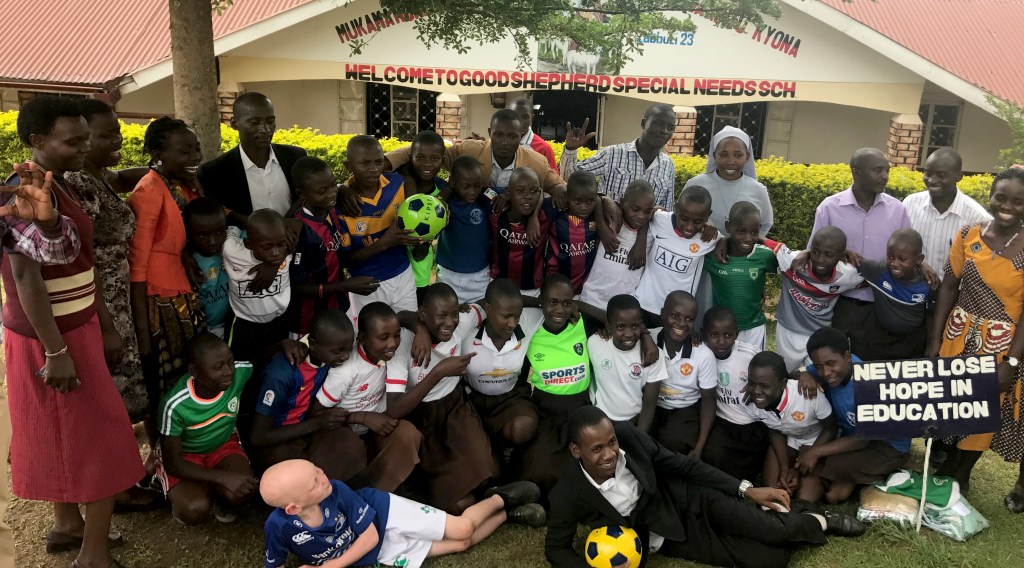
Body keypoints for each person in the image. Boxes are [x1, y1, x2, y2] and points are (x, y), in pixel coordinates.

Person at [5, 96, 144, 568]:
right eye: (74, 140)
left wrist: (102, 324)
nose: (85, 146)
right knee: (107, 437)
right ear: (38, 141)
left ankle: (68, 526)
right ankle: (94, 555)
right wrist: (57, 351)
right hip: (50, 336)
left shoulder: (58, 185)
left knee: (59, 430)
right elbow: (26, 278)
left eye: (87, 136)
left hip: (76, 324)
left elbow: (79, 263)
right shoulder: (19, 194)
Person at [546, 406, 865, 568]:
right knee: (771, 561)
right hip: (667, 535)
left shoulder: (630, 439)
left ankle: (821, 519)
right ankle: (792, 516)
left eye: (611, 442)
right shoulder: (568, 494)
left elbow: (685, 465)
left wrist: (745, 489)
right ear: (577, 451)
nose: (609, 453)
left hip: (693, 500)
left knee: (775, 531)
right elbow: (556, 549)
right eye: (597, 449)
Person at [926, 167, 1024, 509]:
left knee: (984, 410)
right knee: (951, 404)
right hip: (959, 334)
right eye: (1001, 197)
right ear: (991, 197)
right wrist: (934, 340)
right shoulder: (968, 234)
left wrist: (1011, 361)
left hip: (1002, 344)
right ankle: (947, 465)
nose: (1007, 206)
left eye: (1018, 201)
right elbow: (950, 286)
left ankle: (961, 474)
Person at [260, 459, 542, 568]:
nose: (323, 476)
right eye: (314, 481)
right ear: (293, 508)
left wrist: (332, 567)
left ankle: (499, 498)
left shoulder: (336, 489)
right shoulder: (279, 527)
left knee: (463, 530)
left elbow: (368, 537)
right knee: (462, 544)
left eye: (317, 470)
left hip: (383, 515)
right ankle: (509, 515)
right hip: (378, 552)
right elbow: (274, 563)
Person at [519, 273, 657, 495]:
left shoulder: (582, 323)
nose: (560, 310)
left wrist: (646, 335)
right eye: (552, 302)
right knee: (538, 468)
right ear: (541, 302)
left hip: (580, 407)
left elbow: (615, 319)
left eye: (566, 303)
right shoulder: (532, 331)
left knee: (581, 465)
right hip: (546, 408)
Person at [128, 116, 208, 466]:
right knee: (162, 382)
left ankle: (190, 446)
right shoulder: (149, 190)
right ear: (158, 153)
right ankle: (161, 458)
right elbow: (138, 262)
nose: (195, 155)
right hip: (159, 301)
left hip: (181, 293)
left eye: (196, 147)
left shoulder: (180, 185)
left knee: (182, 376)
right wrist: (144, 328)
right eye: (185, 149)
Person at [64, 99, 146, 421]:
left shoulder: (98, 175)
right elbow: (83, 260)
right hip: (104, 305)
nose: (118, 139)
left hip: (119, 300)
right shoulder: (79, 181)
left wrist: (160, 172)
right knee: (109, 394)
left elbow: (122, 178)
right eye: (107, 135)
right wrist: (108, 327)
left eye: (118, 131)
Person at [387, 284, 494, 513]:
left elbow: (493, 302)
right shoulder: (403, 344)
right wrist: (439, 372)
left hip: (456, 406)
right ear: (423, 314)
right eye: (442, 315)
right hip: (423, 416)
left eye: (454, 314)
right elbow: (394, 410)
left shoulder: (461, 323)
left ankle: (495, 495)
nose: (449, 323)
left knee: (487, 472)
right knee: (458, 504)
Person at [810, 148, 914, 361]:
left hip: (883, 305)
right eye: (877, 170)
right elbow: (814, 256)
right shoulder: (829, 208)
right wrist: (840, 253)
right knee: (840, 368)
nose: (884, 175)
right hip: (841, 304)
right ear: (856, 172)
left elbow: (908, 254)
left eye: (887, 170)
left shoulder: (898, 210)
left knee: (874, 373)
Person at [306, 306, 422, 491]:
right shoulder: (346, 370)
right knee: (350, 448)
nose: (392, 344)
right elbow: (318, 413)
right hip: (342, 431)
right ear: (362, 338)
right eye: (383, 337)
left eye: (397, 335)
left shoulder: (391, 356)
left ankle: (377, 490)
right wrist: (363, 417)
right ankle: (344, 494)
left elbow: (408, 317)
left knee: (407, 433)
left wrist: (421, 330)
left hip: (374, 429)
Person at [796, 327, 910, 504]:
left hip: (884, 444)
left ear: (847, 357)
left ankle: (892, 470)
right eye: (818, 367)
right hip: (850, 438)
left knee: (832, 466)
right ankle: (847, 479)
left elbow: (863, 439)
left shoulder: (868, 383)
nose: (825, 373)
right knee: (834, 495)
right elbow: (793, 373)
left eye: (831, 364)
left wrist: (816, 451)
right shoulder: (826, 365)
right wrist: (804, 373)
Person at [156, 333, 257, 524]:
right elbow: (174, 463)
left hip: (223, 445)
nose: (228, 371)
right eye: (218, 367)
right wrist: (222, 477)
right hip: (185, 456)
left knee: (243, 493)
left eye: (230, 362)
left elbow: (261, 359)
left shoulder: (237, 374)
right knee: (194, 509)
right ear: (194, 371)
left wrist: (283, 346)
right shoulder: (174, 405)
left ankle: (210, 487)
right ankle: (162, 479)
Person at [385, 109, 565, 199]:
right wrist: (384, 163)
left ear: (521, 136)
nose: (505, 142)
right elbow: (424, 151)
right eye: (499, 135)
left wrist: (559, 194)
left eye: (512, 136)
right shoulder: (468, 151)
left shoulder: (535, 162)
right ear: (489, 132)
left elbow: (557, 185)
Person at [289, 156, 378, 336]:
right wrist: (345, 286)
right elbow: (296, 287)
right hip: (310, 322)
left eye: (333, 185)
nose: (331, 193)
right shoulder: (300, 232)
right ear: (302, 194)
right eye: (323, 191)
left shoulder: (332, 209)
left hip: (338, 307)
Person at [198, 92, 307, 226]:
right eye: (254, 122)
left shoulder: (295, 157)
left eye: (270, 121)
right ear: (234, 123)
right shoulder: (214, 172)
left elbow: (309, 197)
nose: (265, 129)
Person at [461, 279, 543, 452]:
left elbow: (556, 309)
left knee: (523, 428)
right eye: (505, 316)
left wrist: (603, 327)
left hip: (510, 397)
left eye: (517, 316)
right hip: (470, 399)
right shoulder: (467, 325)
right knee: (472, 449)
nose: (512, 323)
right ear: (488, 308)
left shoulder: (528, 320)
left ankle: (503, 449)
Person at [340, 135, 418, 317]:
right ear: (348, 166)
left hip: (402, 276)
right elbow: (345, 260)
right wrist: (384, 243)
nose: (374, 169)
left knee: (408, 334)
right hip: (366, 285)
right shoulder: (342, 205)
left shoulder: (397, 184)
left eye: (378, 161)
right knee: (373, 340)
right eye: (365, 163)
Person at [746, 351, 836, 503]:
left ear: (782, 384)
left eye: (764, 386)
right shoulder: (752, 402)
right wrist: (785, 467)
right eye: (752, 383)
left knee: (805, 499)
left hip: (815, 440)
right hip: (788, 439)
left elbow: (830, 428)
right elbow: (774, 429)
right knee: (773, 492)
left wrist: (812, 454)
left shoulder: (807, 394)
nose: (756, 391)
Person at [773, 228, 863, 373]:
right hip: (788, 331)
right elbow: (764, 242)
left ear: (840, 256)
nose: (820, 260)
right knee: (787, 374)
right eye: (815, 253)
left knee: (819, 378)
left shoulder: (847, 274)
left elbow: (876, 273)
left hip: (820, 334)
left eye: (829, 255)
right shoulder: (794, 261)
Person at [560, 104, 677, 210]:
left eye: (670, 128)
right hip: (607, 229)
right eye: (659, 124)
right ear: (643, 123)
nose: (665, 131)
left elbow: (666, 209)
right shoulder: (612, 154)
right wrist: (571, 149)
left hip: (645, 233)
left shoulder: (668, 165)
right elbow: (569, 177)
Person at [635, 186, 720, 326]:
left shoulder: (709, 237)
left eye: (698, 221)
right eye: (684, 218)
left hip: (677, 313)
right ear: (676, 208)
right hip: (643, 303)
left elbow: (727, 241)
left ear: (708, 215)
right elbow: (652, 212)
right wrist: (640, 243)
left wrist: (722, 241)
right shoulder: (661, 220)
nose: (689, 227)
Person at [700, 307, 767, 481]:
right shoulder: (701, 354)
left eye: (728, 335)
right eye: (714, 335)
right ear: (704, 334)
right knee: (713, 457)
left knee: (750, 461)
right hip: (724, 421)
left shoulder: (749, 355)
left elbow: (776, 372)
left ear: (736, 334)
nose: (721, 341)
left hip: (753, 422)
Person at [650, 291, 718, 458]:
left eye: (689, 319)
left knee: (673, 441)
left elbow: (709, 400)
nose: (681, 323)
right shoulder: (648, 339)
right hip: (650, 403)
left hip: (684, 408)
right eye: (675, 315)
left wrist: (700, 446)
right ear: (662, 314)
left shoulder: (703, 354)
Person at [703, 201, 778, 350]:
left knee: (752, 371)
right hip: (721, 331)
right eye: (741, 231)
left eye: (754, 232)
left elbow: (789, 261)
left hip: (753, 328)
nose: (748, 238)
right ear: (728, 227)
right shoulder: (714, 255)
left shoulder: (764, 256)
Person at [222, 209, 292, 367]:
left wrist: (272, 264)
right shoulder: (231, 249)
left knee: (273, 364)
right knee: (240, 366)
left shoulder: (288, 247)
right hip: (244, 322)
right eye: (267, 247)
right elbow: (229, 226)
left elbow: (294, 232)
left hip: (278, 321)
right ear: (249, 243)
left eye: (281, 245)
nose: (275, 252)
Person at [588, 295, 668, 431]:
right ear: (609, 327)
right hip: (599, 420)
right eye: (620, 327)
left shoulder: (652, 354)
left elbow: (649, 404)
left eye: (635, 326)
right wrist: (576, 302)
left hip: (634, 421)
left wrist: (639, 439)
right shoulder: (595, 343)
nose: (629, 333)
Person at [903, 148, 990, 271]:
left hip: (955, 290)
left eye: (941, 175)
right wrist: (919, 263)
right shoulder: (910, 204)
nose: (932, 180)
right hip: (912, 287)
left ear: (959, 177)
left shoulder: (978, 218)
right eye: (928, 173)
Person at [854, 228, 932, 360]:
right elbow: (844, 260)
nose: (894, 263)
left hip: (914, 341)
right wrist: (846, 253)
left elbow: (933, 314)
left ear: (919, 259)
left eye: (902, 259)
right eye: (890, 257)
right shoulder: (878, 271)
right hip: (882, 339)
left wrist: (932, 342)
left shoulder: (928, 283)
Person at [685, 125, 773, 237]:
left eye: (738, 155)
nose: (731, 161)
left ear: (747, 157)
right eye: (723, 155)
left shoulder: (759, 190)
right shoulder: (695, 185)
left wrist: (746, 244)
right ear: (714, 156)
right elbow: (681, 216)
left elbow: (766, 224)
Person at [578, 179, 655, 308]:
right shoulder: (611, 219)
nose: (641, 216)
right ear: (623, 202)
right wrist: (603, 228)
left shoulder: (653, 232)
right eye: (635, 209)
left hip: (623, 309)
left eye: (647, 211)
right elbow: (597, 199)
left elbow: (661, 213)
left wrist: (642, 238)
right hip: (590, 300)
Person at [395, 131, 447, 292]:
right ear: (411, 157)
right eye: (420, 157)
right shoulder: (395, 185)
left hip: (420, 278)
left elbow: (420, 254)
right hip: (391, 277)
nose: (427, 164)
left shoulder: (442, 193)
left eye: (435, 158)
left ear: (442, 161)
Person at [436, 156, 492, 303]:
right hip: (449, 276)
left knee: (480, 317)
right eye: (466, 187)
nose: (473, 191)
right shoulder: (448, 204)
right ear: (453, 183)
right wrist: (448, 188)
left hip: (480, 276)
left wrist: (503, 197)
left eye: (477, 185)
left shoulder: (485, 199)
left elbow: (508, 194)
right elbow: (436, 205)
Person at [489, 168, 549, 296]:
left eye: (533, 192)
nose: (528, 196)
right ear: (508, 193)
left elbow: (543, 191)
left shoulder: (544, 215)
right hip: (499, 286)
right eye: (521, 191)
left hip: (532, 289)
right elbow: (479, 190)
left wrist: (534, 216)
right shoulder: (495, 209)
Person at [543, 170, 603, 295]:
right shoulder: (556, 210)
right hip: (555, 282)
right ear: (567, 197)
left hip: (584, 287)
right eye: (577, 202)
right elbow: (537, 201)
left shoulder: (597, 214)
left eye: (590, 202)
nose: (584, 207)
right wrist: (558, 187)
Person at [184, 198, 231, 338]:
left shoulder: (234, 246)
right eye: (204, 235)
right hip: (209, 329)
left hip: (237, 320)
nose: (213, 241)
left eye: (219, 232)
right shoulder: (191, 263)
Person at [508, 96, 558, 172]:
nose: (520, 121)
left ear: (532, 118)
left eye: (525, 117)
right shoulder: (499, 143)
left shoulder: (543, 148)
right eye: (515, 116)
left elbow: (554, 181)